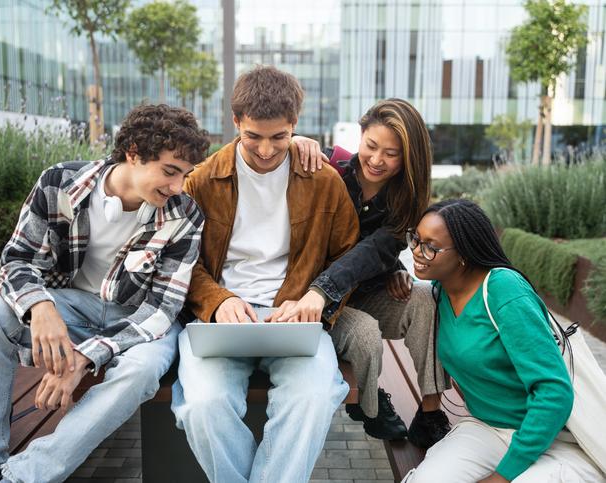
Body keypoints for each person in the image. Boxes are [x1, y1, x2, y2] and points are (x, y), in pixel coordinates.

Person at [0, 104, 209, 483]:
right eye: (170, 172)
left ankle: (24, 477)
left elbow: (163, 307)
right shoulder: (59, 183)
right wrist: (40, 306)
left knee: (141, 372)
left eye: (185, 175)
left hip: (142, 322)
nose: (177, 187)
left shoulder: (184, 214)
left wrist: (84, 357)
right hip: (73, 309)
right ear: (134, 153)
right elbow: (16, 260)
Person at [171, 65, 360, 483]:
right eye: (253, 136)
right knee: (203, 405)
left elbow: (345, 255)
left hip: (293, 319)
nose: (267, 150)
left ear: (295, 125)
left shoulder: (324, 180)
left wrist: (316, 297)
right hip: (219, 319)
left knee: (313, 398)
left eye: (280, 137)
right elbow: (180, 261)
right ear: (235, 121)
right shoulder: (201, 181)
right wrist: (218, 301)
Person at [402, 199, 604, 482]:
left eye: (430, 247)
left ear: (464, 254)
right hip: (487, 428)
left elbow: (554, 392)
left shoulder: (504, 291)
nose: (416, 251)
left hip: (552, 437)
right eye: (415, 239)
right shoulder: (439, 290)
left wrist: (502, 476)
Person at [289, 99, 450, 446]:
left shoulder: (405, 201)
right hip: (318, 300)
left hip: (364, 292)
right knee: (365, 333)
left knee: (425, 298)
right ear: (360, 136)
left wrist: (390, 264)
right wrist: (295, 140)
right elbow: (268, 151)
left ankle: (431, 413)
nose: (377, 160)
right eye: (371, 146)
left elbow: (373, 250)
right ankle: (369, 402)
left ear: (408, 157)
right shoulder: (328, 167)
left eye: (391, 154)